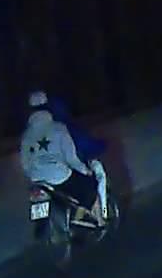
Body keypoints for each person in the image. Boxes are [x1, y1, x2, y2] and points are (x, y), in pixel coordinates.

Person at [20, 91, 104, 224]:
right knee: (89, 186)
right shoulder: (58, 128)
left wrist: (35, 173)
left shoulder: (26, 136)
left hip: (38, 181)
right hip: (59, 177)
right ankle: (82, 217)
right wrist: (85, 171)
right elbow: (72, 159)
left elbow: (25, 164)